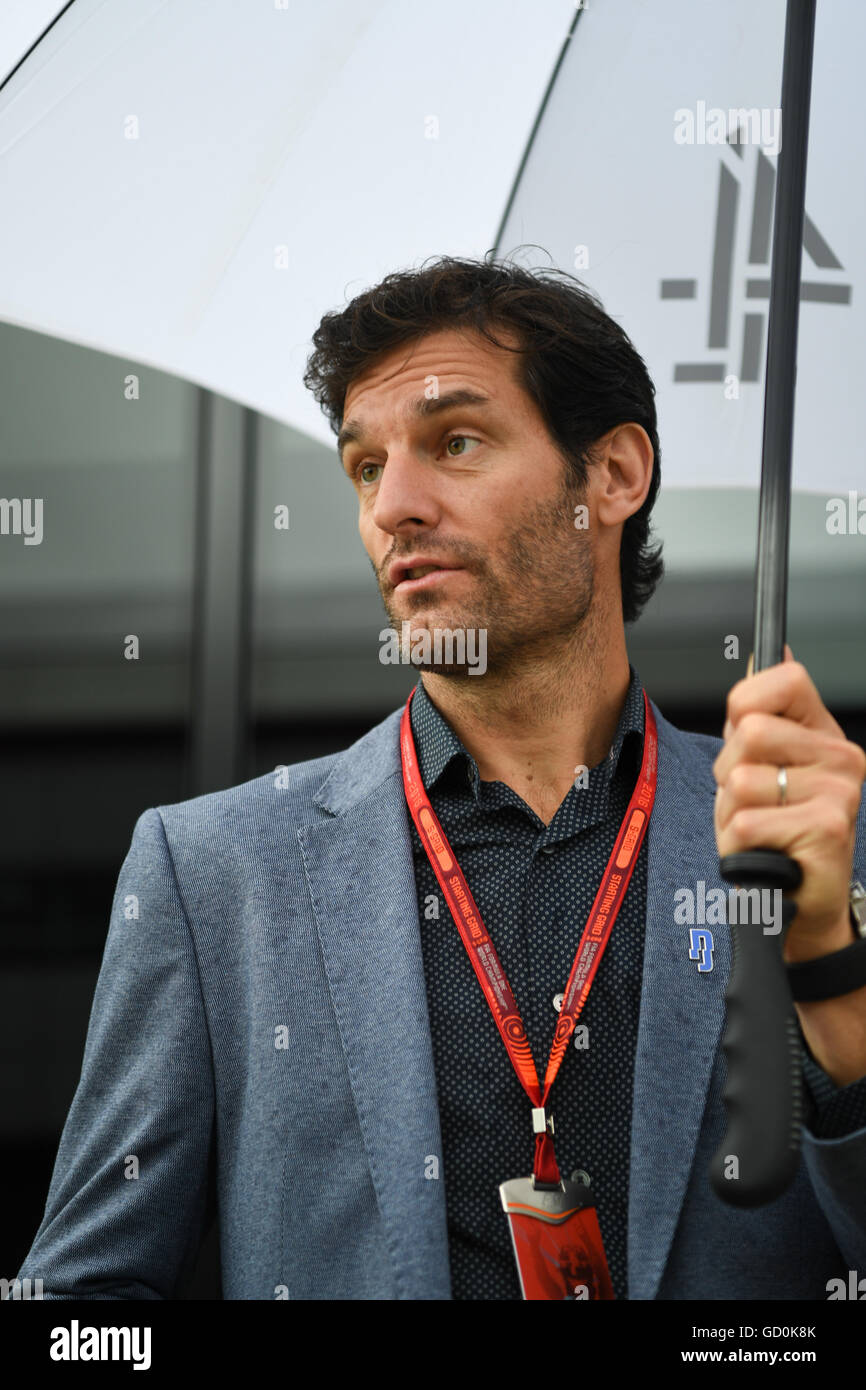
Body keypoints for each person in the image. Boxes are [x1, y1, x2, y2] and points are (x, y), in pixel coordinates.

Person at [11, 256, 866, 1301]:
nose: (394, 508)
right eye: (366, 467)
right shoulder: (214, 875)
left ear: (611, 475)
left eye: (454, 443)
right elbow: (79, 1313)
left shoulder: (816, 843)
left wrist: (828, 967)